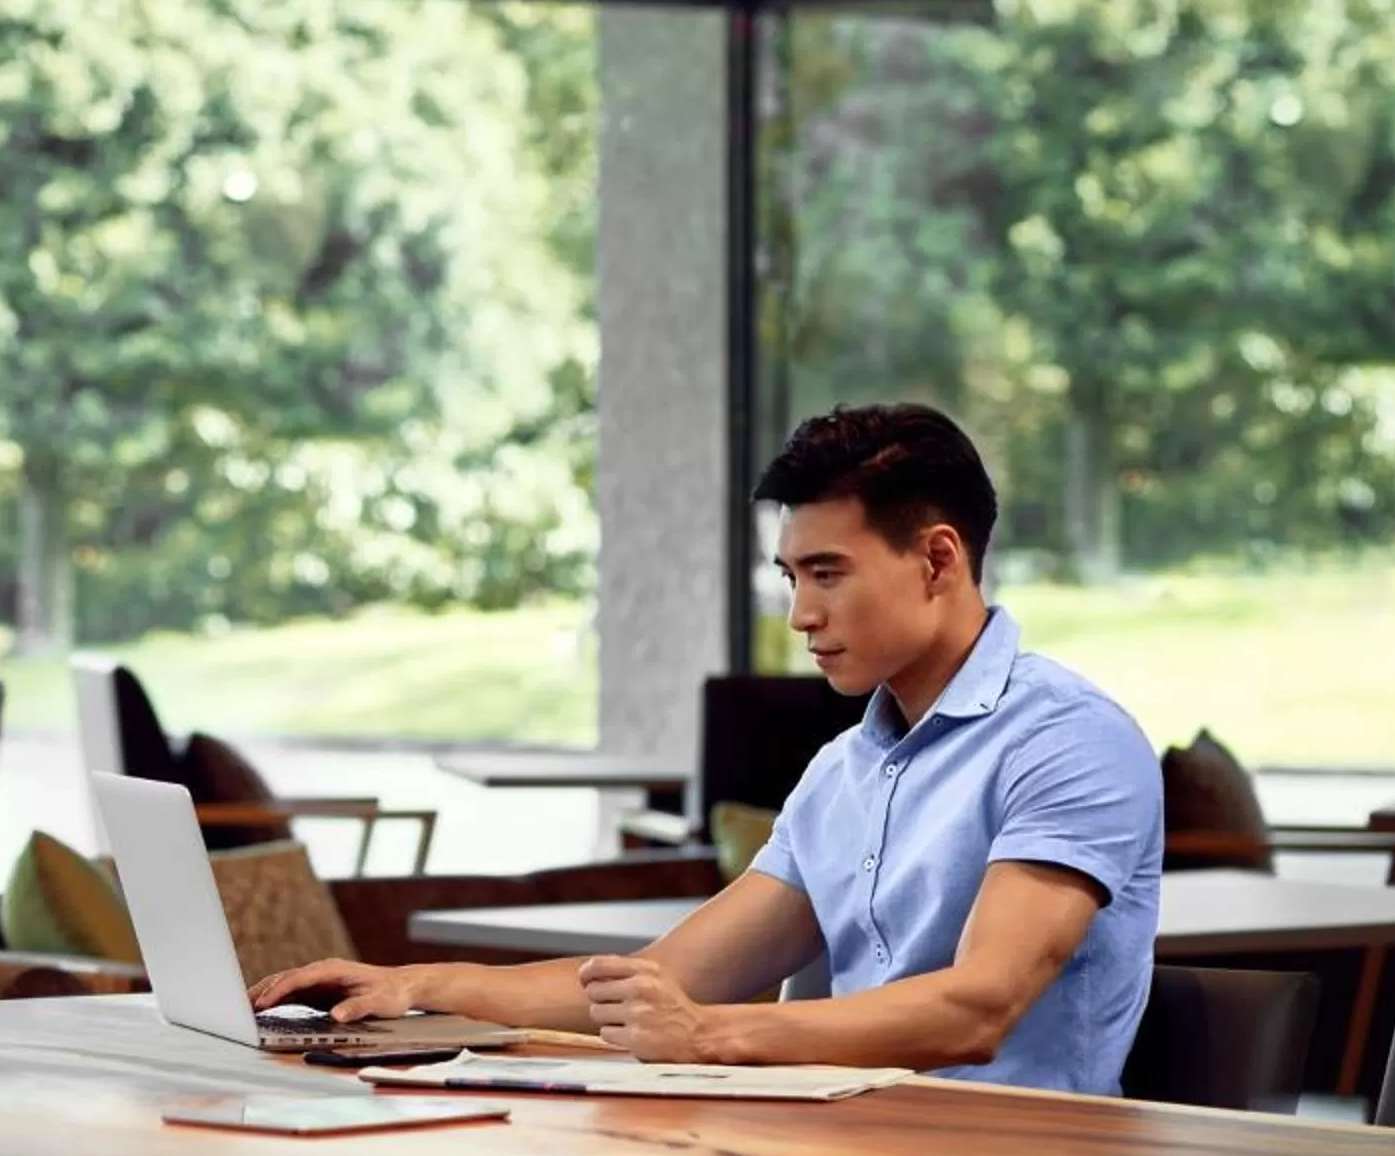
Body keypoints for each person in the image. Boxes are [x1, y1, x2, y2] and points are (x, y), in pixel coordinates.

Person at [253, 403, 1163, 1095]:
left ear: (936, 560)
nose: (803, 614)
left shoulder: (1068, 742)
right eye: (791, 577)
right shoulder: (840, 772)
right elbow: (668, 982)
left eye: (829, 574)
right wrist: (420, 985)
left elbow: (977, 1010)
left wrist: (710, 1037)